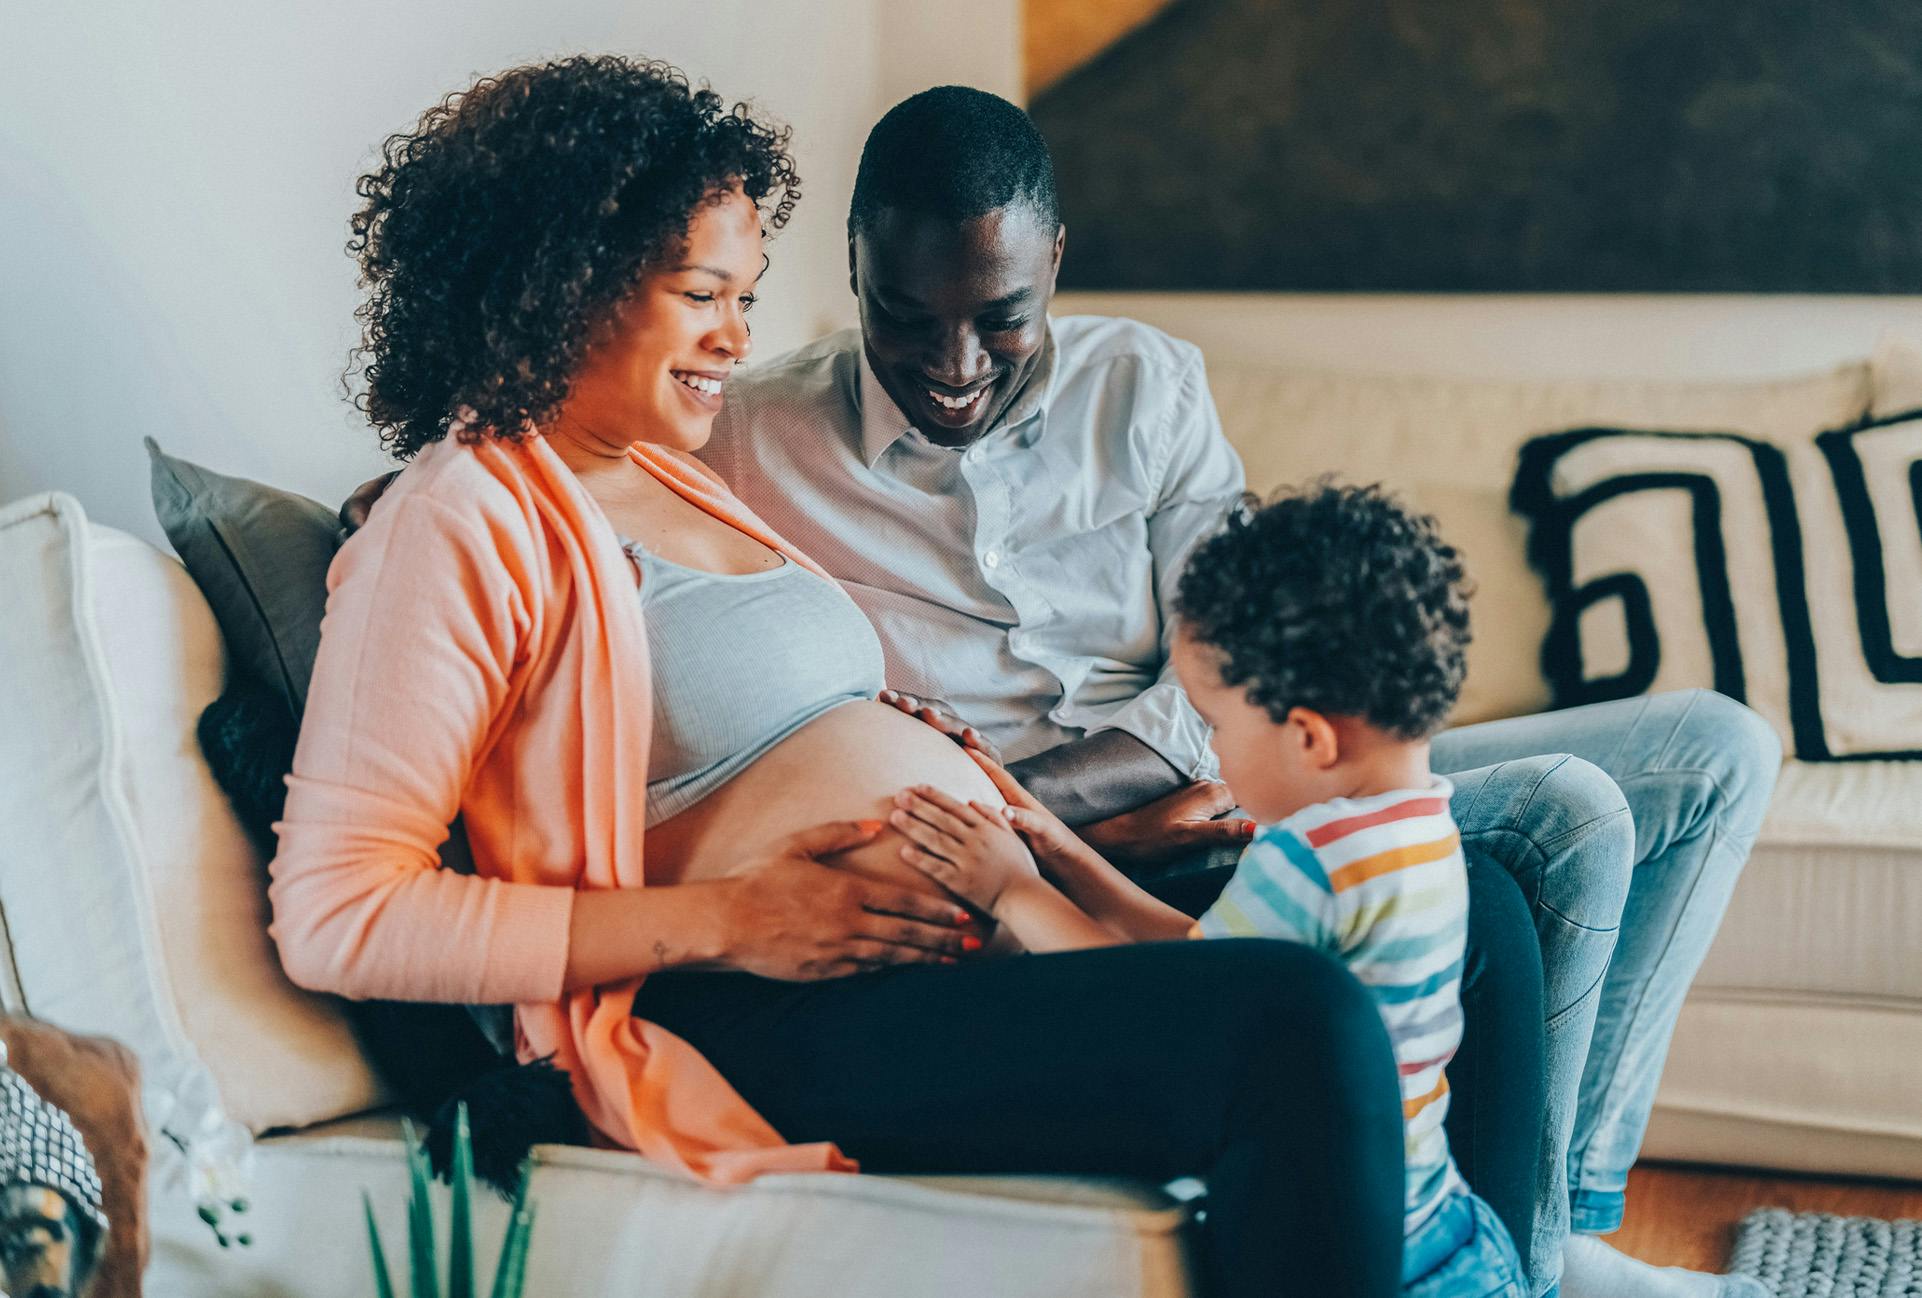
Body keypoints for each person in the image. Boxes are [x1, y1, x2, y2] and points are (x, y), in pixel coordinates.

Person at [277, 55, 1411, 1298]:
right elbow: (341, 915)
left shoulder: (672, 474)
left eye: (744, 297)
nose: (736, 337)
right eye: (701, 295)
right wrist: (735, 919)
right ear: (567, 283)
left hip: (991, 917)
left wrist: (1014, 811)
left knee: (1472, 919)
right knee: (1301, 1020)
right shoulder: (459, 515)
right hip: (763, 1005)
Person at [692, 86, 1784, 1298]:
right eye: (904, 317)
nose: (952, 367)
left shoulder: (1146, 384)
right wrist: (1058, 826)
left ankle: (1558, 1218)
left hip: (1236, 765)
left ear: (1054, 262)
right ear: (853, 266)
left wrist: (1061, 798)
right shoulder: (748, 437)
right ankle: (1542, 1250)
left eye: (999, 320)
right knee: (1562, 816)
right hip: (1101, 828)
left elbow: (1219, 669)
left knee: (1715, 748)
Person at [888, 481, 1531, 1297]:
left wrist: (1014, 892)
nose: (1214, 755)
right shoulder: (1414, 828)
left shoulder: (1313, 860)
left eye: (1217, 725)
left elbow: (1161, 1003)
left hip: (1359, 1248)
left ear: (1309, 737)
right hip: (1442, 1223)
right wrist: (1062, 850)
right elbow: (1202, 963)